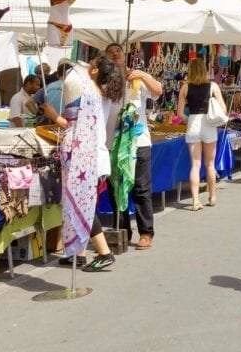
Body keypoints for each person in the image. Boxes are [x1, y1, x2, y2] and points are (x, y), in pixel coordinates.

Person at [55, 56, 118, 272]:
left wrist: (53, 115)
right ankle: (78, 253)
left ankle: (104, 252)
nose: (88, 64)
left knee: (83, 204)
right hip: (95, 153)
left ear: (96, 70)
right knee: (81, 202)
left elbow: (72, 123)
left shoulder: (89, 90)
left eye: (93, 63)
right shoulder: (100, 93)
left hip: (88, 154)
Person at [106, 43, 161, 251]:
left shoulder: (136, 79)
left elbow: (158, 90)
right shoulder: (104, 82)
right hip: (112, 144)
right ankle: (121, 231)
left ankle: (146, 232)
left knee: (141, 188)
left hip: (139, 142)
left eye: (118, 52)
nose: (115, 55)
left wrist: (142, 74)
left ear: (124, 54)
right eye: (110, 53)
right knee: (116, 189)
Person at [177, 58, 225, 210]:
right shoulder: (213, 86)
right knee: (210, 164)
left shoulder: (185, 87)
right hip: (209, 125)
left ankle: (195, 201)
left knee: (195, 165)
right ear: (204, 70)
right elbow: (223, 108)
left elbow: (179, 114)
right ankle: (212, 196)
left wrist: (189, 119)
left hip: (193, 123)